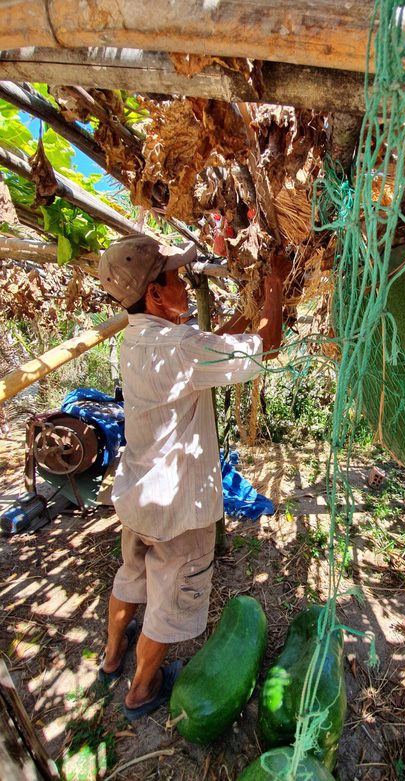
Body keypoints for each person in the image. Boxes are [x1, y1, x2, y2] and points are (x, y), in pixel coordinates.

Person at [96, 234, 288, 721]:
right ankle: (143, 689)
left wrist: (249, 307)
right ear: (156, 295)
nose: (184, 285)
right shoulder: (181, 348)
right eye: (177, 279)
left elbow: (212, 346)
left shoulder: (138, 336)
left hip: (138, 496)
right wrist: (276, 284)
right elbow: (266, 345)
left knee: (132, 575)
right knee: (168, 602)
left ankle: (112, 657)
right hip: (177, 510)